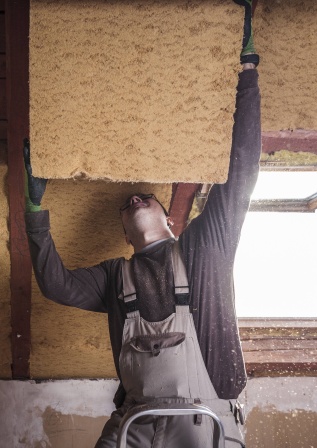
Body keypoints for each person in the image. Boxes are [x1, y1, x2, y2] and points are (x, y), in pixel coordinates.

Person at [24, 1, 260, 446]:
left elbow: (242, 170)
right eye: (129, 203)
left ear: (172, 222)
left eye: (145, 196)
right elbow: (56, 285)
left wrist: (246, 68)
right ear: (123, 234)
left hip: (204, 424)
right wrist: (34, 210)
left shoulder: (203, 249)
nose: (134, 197)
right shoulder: (116, 277)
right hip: (133, 428)